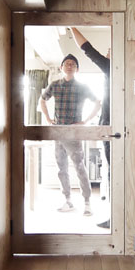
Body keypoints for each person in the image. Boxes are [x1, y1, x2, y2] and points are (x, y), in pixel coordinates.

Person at [40, 54, 101, 216]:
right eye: (66, 63)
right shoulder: (54, 85)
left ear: (77, 69)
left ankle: (87, 203)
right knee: (62, 168)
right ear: (61, 67)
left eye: (73, 64)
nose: (69, 66)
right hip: (58, 131)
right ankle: (67, 200)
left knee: (79, 167)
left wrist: (85, 121)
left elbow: (98, 102)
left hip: (74, 132)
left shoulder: (83, 87)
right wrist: (48, 118)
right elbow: (42, 100)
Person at [70, 27, 111, 229]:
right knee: (113, 173)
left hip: (111, 129)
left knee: (114, 174)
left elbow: (87, 49)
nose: (108, 52)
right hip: (108, 127)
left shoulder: (112, 67)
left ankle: (116, 219)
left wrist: (71, 26)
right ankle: (116, 217)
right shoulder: (111, 73)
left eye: (111, 50)